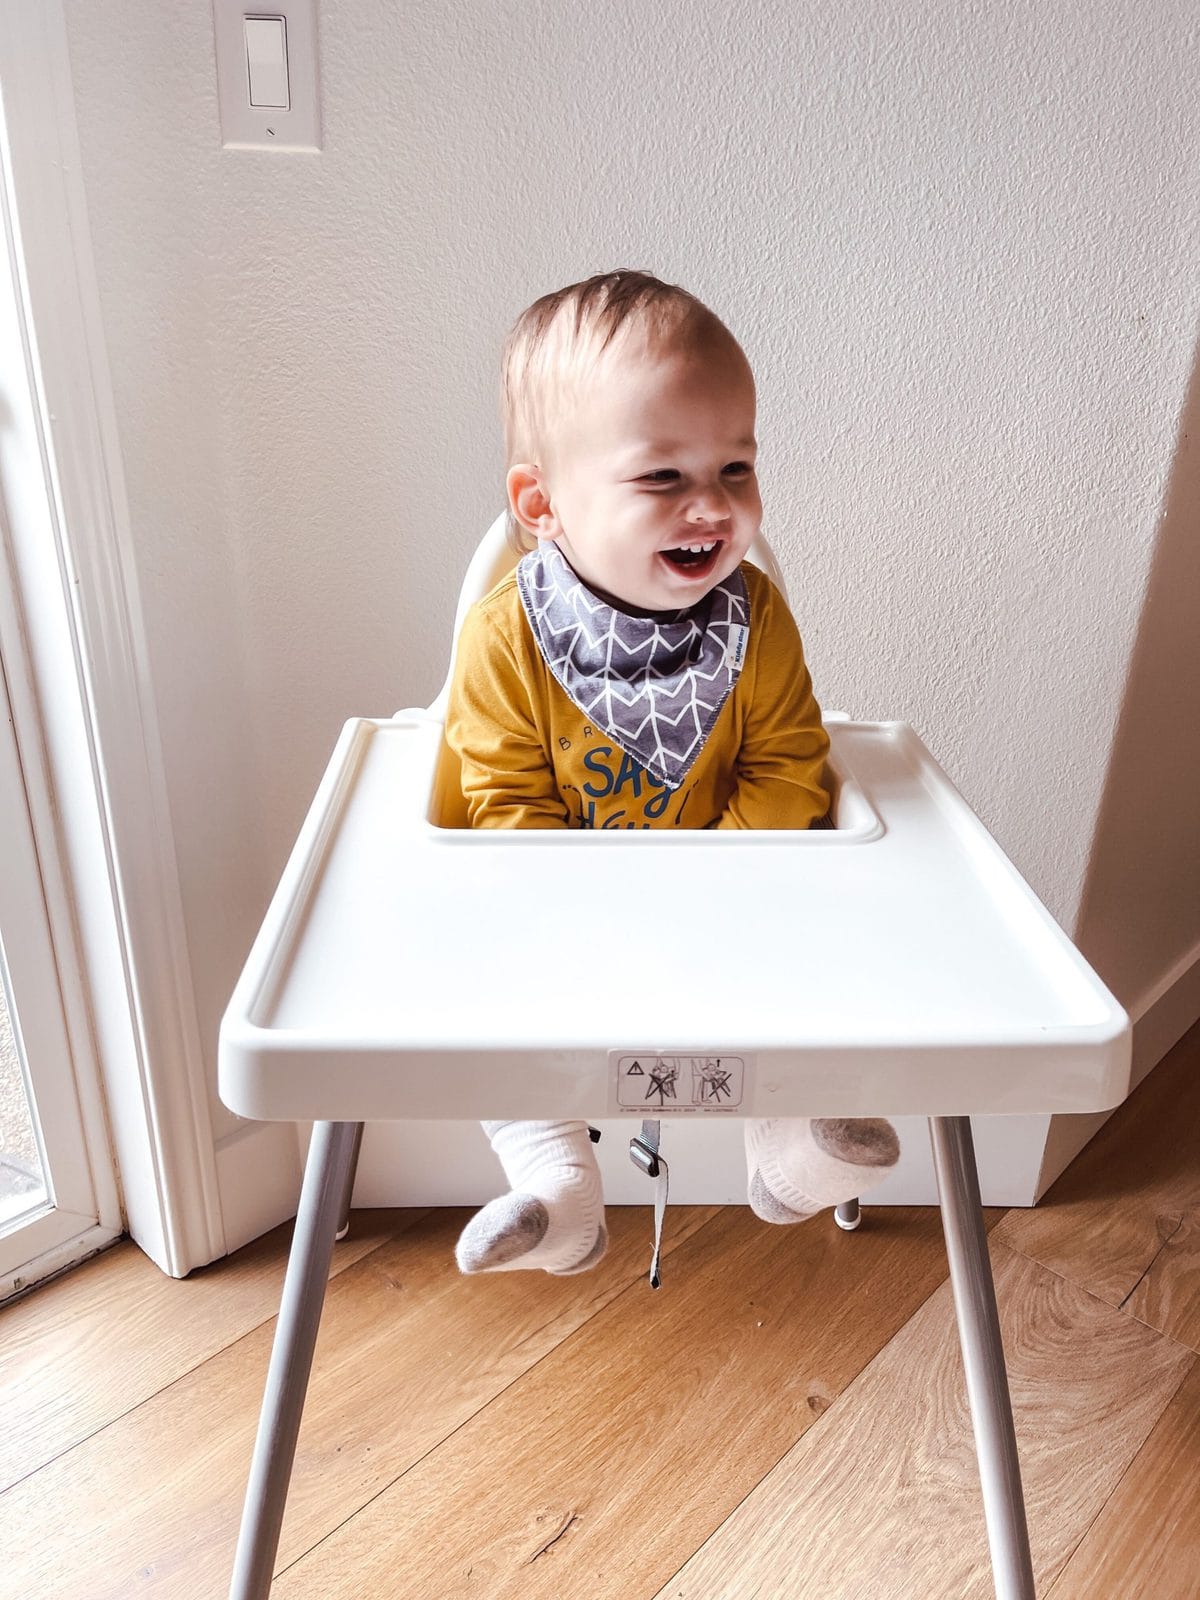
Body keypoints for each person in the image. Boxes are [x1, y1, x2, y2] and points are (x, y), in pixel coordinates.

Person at [445, 270, 899, 1276]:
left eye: (736, 467)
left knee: (802, 951)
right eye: (662, 478)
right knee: (484, 984)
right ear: (543, 503)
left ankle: (784, 1150)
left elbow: (790, 766)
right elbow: (503, 800)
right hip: (558, 910)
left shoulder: (757, 620)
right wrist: (594, 907)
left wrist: (713, 889)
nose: (714, 506)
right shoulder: (506, 638)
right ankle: (555, 1189)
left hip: (733, 893)